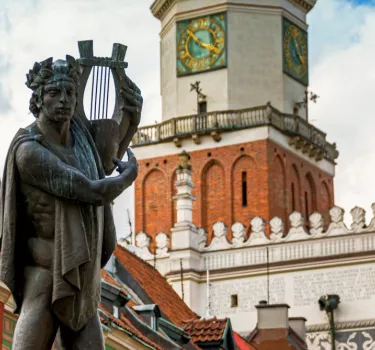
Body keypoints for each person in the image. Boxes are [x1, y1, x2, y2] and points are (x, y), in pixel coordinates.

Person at [0, 55, 141, 349]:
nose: (63, 100)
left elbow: (104, 167)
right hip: (44, 277)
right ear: (38, 99)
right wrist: (130, 176)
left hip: (82, 280)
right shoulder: (28, 151)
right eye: (54, 93)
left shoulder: (80, 138)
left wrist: (132, 118)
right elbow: (90, 189)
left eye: (69, 93)